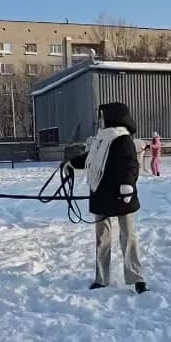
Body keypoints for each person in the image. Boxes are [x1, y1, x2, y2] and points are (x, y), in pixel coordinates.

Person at [62, 102, 148, 294]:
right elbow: (91, 159)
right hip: (100, 193)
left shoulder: (123, 139)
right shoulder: (100, 139)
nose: (99, 120)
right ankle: (101, 278)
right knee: (102, 238)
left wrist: (127, 185)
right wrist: (72, 163)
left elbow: (131, 165)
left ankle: (137, 278)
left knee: (128, 237)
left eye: (101, 116)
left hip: (122, 195)